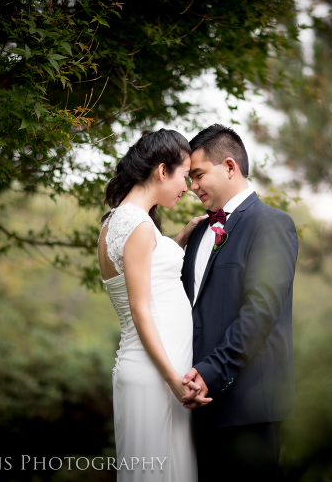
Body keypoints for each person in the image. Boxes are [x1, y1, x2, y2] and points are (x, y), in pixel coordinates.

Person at [180, 124, 298, 482]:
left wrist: (211, 374)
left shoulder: (272, 224)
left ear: (229, 167)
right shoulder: (199, 231)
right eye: (188, 178)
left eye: (198, 175)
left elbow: (260, 312)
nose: (192, 187)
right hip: (198, 405)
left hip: (249, 407)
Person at [97, 129, 209, 482]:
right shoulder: (138, 226)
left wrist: (181, 238)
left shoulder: (118, 221)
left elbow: (147, 267)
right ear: (162, 170)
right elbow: (141, 309)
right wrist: (173, 380)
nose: (187, 187)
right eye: (184, 175)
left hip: (147, 369)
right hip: (157, 373)